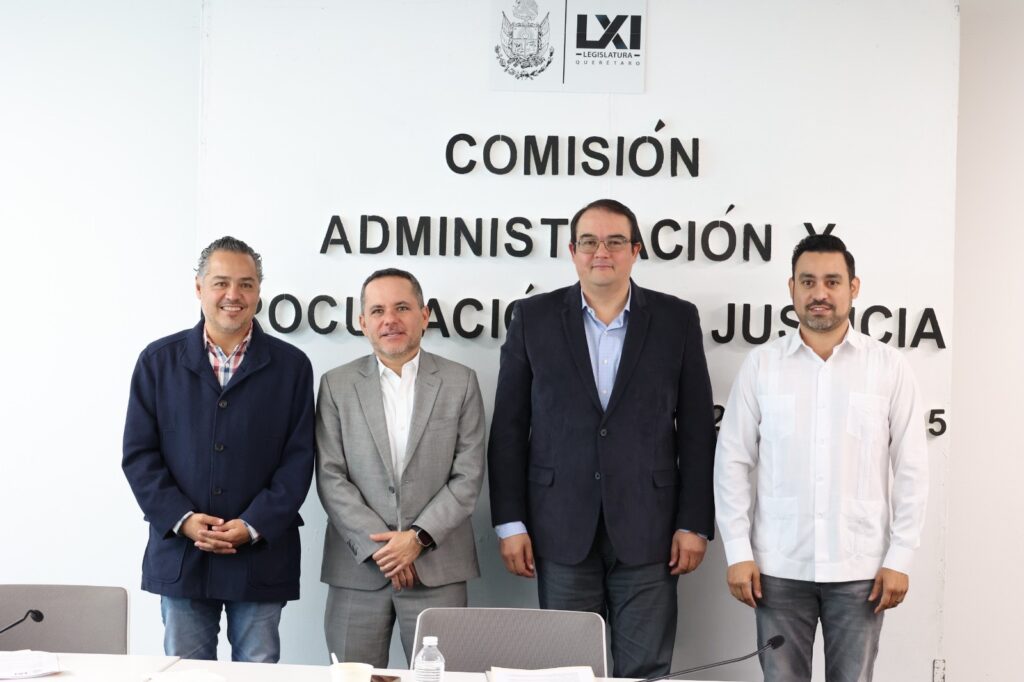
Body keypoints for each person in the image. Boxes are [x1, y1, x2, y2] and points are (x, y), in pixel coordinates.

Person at [487, 199, 717, 678]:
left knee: (645, 670)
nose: (601, 252)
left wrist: (694, 523)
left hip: (651, 530)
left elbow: (696, 430)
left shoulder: (676, 320)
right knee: (568, 671)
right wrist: (510, 523)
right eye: (589, 242)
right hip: (559, 526)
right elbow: (508, 426)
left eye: (615, 241)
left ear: (635, 250)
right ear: (572, 251)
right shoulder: (533, 317)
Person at [714, 234, 929, 682]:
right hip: (777, 569)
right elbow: (732, 461)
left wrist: (901, 556)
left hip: (860, 571)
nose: (820, 293)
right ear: (792, 287)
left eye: (832, 281)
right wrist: (737, 551)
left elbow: (911, 467)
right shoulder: (762, 366)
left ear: (854, 287)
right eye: (808, 281)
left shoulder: (888, 367)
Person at [122, 236, 315, 662]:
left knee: (259, 672)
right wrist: (184, 520)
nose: (234, 294)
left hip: (260, 553)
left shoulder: (292, 366)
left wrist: (252, 524)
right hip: (182, 553)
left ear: (259, 291)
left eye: (246, 284)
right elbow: (139, 456)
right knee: (186, 672)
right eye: (221, 283)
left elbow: (299, 459)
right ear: (199, 288)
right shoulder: (158, 361)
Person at [316, 268, 485, 666]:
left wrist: (417, 539)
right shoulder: (336, 385)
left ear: (424, 316)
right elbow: (330, 476)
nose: (389, 319)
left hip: (437, 569)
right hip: (358, 571)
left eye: (402, 308)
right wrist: (387, 551)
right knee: (352, 678)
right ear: (363, 322)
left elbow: (468, 476)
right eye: (377, 311)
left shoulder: (460, 382)